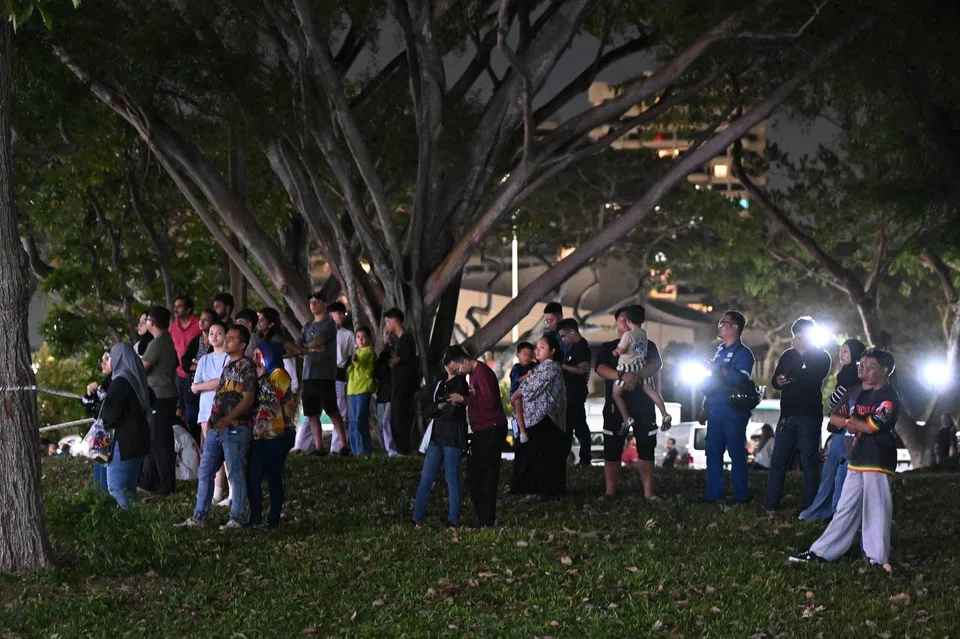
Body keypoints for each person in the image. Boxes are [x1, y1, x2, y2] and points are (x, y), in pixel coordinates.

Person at [789, 348, 900, 566]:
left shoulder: (889, 396)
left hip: (877, 460)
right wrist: (852, 420)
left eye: (871, 366)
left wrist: (849, 421)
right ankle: (822, 553)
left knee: (876, 508)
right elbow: (834, 418)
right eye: (862, 364)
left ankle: (876, 559)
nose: (863, 369)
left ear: (885, 370)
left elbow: (871, 426)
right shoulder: (859, 392)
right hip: (856, 459)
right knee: (844, 508)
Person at [176, 326, 256, 529]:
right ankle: (199, 517)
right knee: (205, 471)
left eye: (231, 338)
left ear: (242, 345)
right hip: (216, 428)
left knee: (235, 473)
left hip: (236, 428)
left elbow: (247, 399)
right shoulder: (227, 366)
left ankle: (236, 518)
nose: (226, 340)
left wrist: (227, 419)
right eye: (226, 337)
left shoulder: (246, 366)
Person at [763, 317, 832, 512]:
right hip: (787, 415)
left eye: (800, 336)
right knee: (778, 460)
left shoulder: (821, 356)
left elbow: (814, 375)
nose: (797, 340)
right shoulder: (787, 355)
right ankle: (771, 503)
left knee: (809, 460)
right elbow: (775, 381)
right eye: (795, 336)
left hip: (809, 415)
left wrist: (802, 356)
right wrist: (781, 380)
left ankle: (810, 503)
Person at [595, 305, 663, 500]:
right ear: (616, 322)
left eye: (628, 318)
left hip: (643, 405)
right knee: (612, 448)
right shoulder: (608, 347)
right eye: (621, 319)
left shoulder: (648, 345)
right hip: (615, 406)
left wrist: (636, 376)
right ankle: (610, 492)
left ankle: (649, 492)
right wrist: (623, 375)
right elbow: (600, 368)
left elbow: (656, 364)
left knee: (646, 447)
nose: (625, 322)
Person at [801, 339, 866, 520]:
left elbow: (833, 401)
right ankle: (827, 510)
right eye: (840, 351)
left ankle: (822, 512)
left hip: (843, 432)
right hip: (844, 430)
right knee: (833, 471)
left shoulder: (848, 376)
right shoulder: (857, 378)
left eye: (845, 352)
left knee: (831, 471)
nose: (841, 355)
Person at [445, 346, 509, 528]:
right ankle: (483, 518)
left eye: (457, 369)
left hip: (492, 429)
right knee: (475, 476)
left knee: (486, 475)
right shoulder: (472, 374)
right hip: (481, 430)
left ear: (465, 361)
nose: (457, 373)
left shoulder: (482, 373)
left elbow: (489, 402)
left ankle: (487, 520)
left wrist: (464, 399)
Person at [697, 310, 756, 505]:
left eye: (724, 323)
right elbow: (713, 382)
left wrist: (720, 369)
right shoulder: (720, 351)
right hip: (715, 409)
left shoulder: (744, 353)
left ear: (735, 328)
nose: (719, 325)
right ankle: (715, 496)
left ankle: (741, 496)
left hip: (733, 411)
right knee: (713, 453)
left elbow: (741, 379)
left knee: (736, 453)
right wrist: (705, 406)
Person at [412, 348, 470, 527]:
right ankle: (416, 517)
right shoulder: (439, 382)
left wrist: (439, 407)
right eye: (453, 361)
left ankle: (453, 519)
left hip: (453, 436)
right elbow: (426, 408)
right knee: (426, 477)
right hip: (437, 436)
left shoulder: (461, 383)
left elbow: (453, 411)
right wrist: (440, 406)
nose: (455, 365)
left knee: (451, 478)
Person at [97, 344, 153, 509]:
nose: (108, 360)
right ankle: (138, 528)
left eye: (110, 357)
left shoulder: (120, 382)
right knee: (129, 491)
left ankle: (128, 529)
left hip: (123, 443)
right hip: (138, 442)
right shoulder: (136, 379)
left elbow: (110, 416)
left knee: (117, 490)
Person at [512, 335, 567, 498]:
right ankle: (539, 489)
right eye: (536, 347)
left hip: (547, 419)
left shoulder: (550, 367)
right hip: (538, 420)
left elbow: (530, 387)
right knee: (539, 457)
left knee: (546, 458)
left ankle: (547, 492)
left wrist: (517, 393)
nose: (537, 350)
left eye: (542, 347)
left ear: (552, 351)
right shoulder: (540, 367)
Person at [247, 341, 295, 528]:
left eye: (259, 356)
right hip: (258, 435)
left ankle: (273, 518)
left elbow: (272, 397)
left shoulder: (280, 374)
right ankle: (255, 516)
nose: (256, 360)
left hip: (278, 435)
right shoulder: (263, 376)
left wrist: (260, 378)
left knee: (273, 477)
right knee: (253, 476)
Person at [294, 292, 347, 456]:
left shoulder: (329, 324)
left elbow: (317, 342)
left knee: (331, 409)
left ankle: (344, 445)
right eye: (311, 301)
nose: (313, 304)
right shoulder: (307, 326)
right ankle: (319, 448)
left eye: (316, 301)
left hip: (325, 374)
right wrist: (307, 348)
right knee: (311, 413)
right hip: (308, 375)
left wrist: (306, 348)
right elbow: (298, 344)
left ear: (325, 303)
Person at [611, 305, 672, 434]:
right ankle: (664, 413)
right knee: (651, 391)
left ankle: (627, 419)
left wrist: (616, 351)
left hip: (627, 368)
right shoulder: (643, 333)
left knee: (616, 394)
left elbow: (622, 349)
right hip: (641, 366)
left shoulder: (628, 335)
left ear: (628, 320)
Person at [139, 305, 179, 495]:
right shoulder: (164, 340)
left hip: (160, 396)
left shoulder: (157, 343)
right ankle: (152, 481)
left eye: (146, 320)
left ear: (152, 322)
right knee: (156, 441)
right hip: (165, 395)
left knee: (161, 442)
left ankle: (166, 485)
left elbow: (142, 368)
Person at [191, 320, 230, 503]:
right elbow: (193, 387)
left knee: (227, 452)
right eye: (211, 333)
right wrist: (209, 384)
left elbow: (222, 382)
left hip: (223, 409)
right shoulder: (204, 360)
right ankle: (217, 492)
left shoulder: (229, 358)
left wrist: (203, 385)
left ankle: (233, 493)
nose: (214, 336)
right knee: (211, 452)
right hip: (205, 409)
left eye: (219, 332)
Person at [556, 318, 592, 471]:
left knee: (580, 427)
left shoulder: (582, 347)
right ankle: (563, 459)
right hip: (567, 394)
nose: (563, 339)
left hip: (576, 395)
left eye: (564, 335)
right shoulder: (571, 348)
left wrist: (562, 366)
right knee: (567, 428)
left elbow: (582, 369)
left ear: (572, 331)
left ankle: (585, 459)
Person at [385, 307, 420, 455]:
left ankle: (404, 450)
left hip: (404, 384)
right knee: (394, 417)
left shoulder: (406, 338)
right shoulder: (399, 341)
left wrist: (387, 345)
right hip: (398, 384)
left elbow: (395, 361)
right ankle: (400, 449)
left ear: (394, 320)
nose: (386, 325)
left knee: (400, 417)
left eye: (387, 321)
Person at [180, 308, 216, 443]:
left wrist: (196, 363)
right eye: (201, 318)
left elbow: (213, 367)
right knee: (193, 425)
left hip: (209, 390)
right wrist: (199, 365)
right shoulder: (195, 341)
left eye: (206, 319)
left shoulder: (216, 344)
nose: (201, 322)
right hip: (192, 389)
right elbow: (184, 362)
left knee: (209, 427)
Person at [170, 295, 201, 435]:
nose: (175, 309)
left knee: (194, 414)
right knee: (179, 411)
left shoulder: (198, 324)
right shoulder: (173, 326)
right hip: (178, 374)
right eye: (174, 306)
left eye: (179, 306)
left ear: (188, 309)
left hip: (195, 375)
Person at [83, 350, 114, 491]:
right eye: (102, 359)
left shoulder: (122, 382)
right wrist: (90, 394)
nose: (103, 362)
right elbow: (92, 411)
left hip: (116, 439)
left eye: (107, 358)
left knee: (111, 484)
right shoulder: (104, 385)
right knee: (101, 480)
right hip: (102, 438)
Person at [509, 342, 537, 494]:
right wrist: (527, 376)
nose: (527, 356)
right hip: (518, 398)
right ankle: (522, 430)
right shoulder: (517, 369)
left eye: (529, 353)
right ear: (518, 355)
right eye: (524, 353)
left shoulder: (535, 366)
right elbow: (516, 382)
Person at [328, 301, 355, 454]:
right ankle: (301, 445)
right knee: (315, 410)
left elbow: (352, 356)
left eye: (344, 314)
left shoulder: (348, 334)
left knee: (340, 410)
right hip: (324, 373)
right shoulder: (323, 332)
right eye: (340, 314)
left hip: (339, 374)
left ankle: (336, 446)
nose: (343, 317)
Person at [347, 327, 376, 456]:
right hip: (352, 390)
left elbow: (368, 372)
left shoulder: (369, 352)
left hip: (363, 389)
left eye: (363, 336)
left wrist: (356, 363)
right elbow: (349, 370)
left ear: (369, 339)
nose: (360, 339)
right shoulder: (356, 352)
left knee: (360, 421)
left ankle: (365, 451)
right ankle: (355, 451)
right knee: (352, 422)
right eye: (358, 337)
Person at [373, 333, 398, 456]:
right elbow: (377, 372)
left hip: (392, 392)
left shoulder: (400, 351)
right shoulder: (383, 355)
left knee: (385, 421)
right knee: (380, 423)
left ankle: (391, 450)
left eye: (388, 333)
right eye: (385, 334)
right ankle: (385, 449)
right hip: (382, 392)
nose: (386, 336)